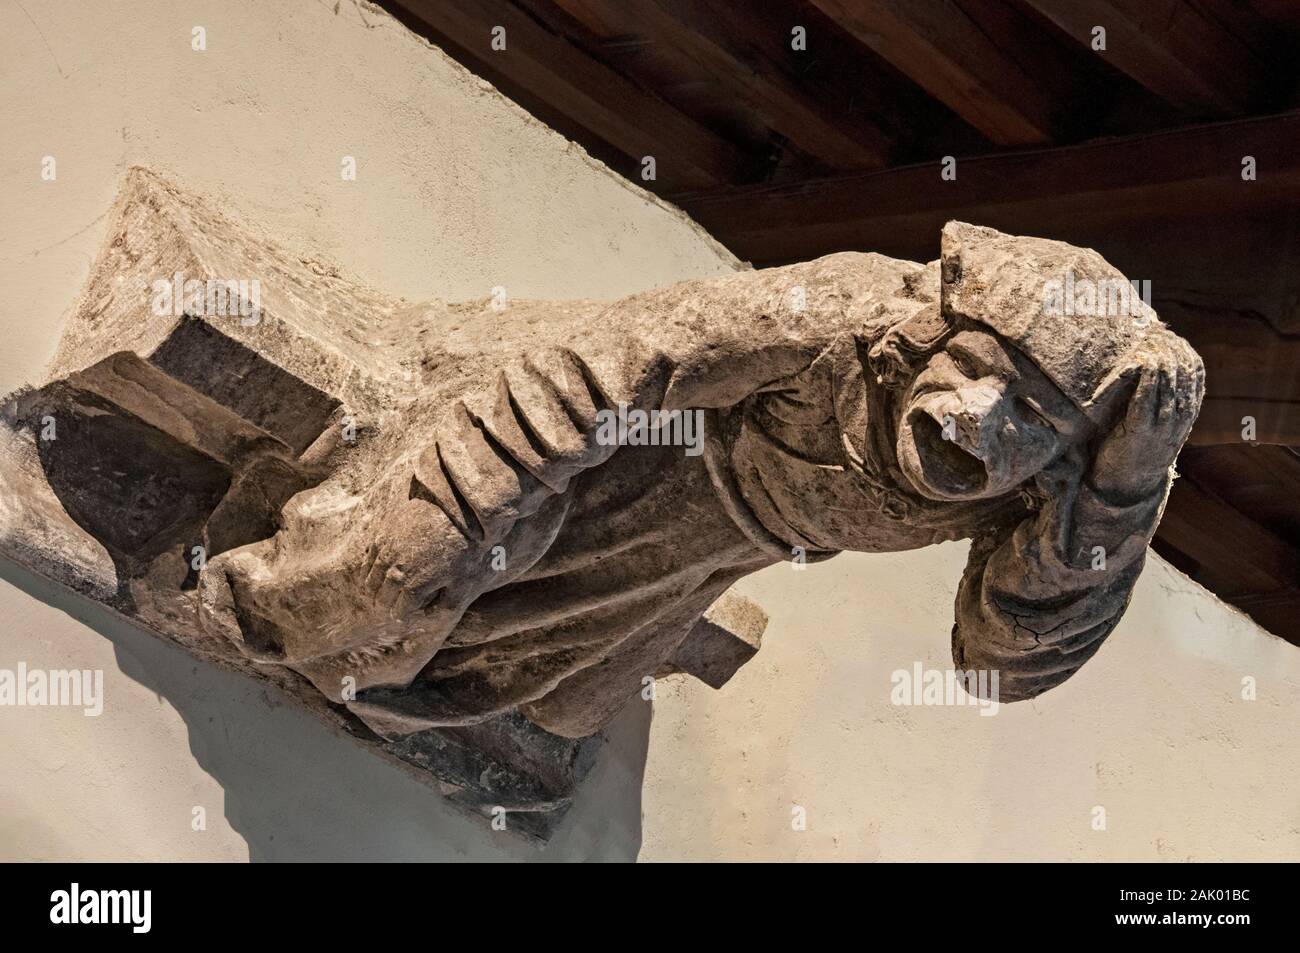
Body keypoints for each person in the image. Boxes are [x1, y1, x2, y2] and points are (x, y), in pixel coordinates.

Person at [199, 222, 1203, 738]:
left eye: (1033, 418)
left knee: (562, 710)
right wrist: (470, 502)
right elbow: (621, 362)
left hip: (696, 554)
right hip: (604, 463)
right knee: (390, 584)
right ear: (931, 332)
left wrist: (1118, 497)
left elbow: (1001, 667)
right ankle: (261, 590)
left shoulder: (1039, 498)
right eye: (979, 372)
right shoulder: (851, 315)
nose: (984, 424)